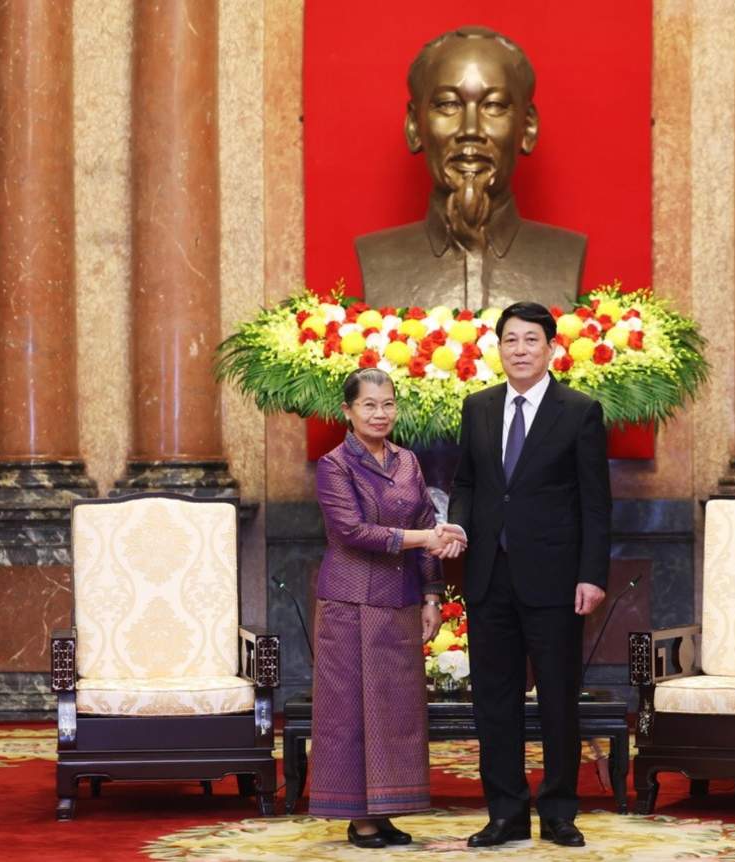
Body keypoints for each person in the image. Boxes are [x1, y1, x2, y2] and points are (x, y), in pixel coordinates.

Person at [446, 301, 612, 848]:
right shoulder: (478, 407)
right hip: (489, 576)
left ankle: (559, 811)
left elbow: (595, 502)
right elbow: (466, 483)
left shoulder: (579, 411)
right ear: (499, 349)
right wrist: (459, 526)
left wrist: (591, 574)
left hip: (556, 578)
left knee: (558, 699)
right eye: (510, 340)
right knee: (494, 701)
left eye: (530, 340)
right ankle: (505, 814)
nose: (520, 350)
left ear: (551, 348)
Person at [310, 367, 464, 848]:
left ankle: (387, 809)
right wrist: (425, 538)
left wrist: (432, 595)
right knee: (350, 714)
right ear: (348, 411)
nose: (380, 414)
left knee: (397, 713)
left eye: (388, 404)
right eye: (369, 405)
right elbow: (353, 531)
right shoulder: (334, 465)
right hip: (349, 603)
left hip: (399, 602)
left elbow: (425, 520)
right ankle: (358, 818)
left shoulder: (407, 461)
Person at [356, 26, 585, 311]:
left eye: (494, 105)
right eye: (448, 105)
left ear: (527, 127)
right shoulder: (378, 258)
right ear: (414, 126)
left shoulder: (566, 255)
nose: (471, 130)